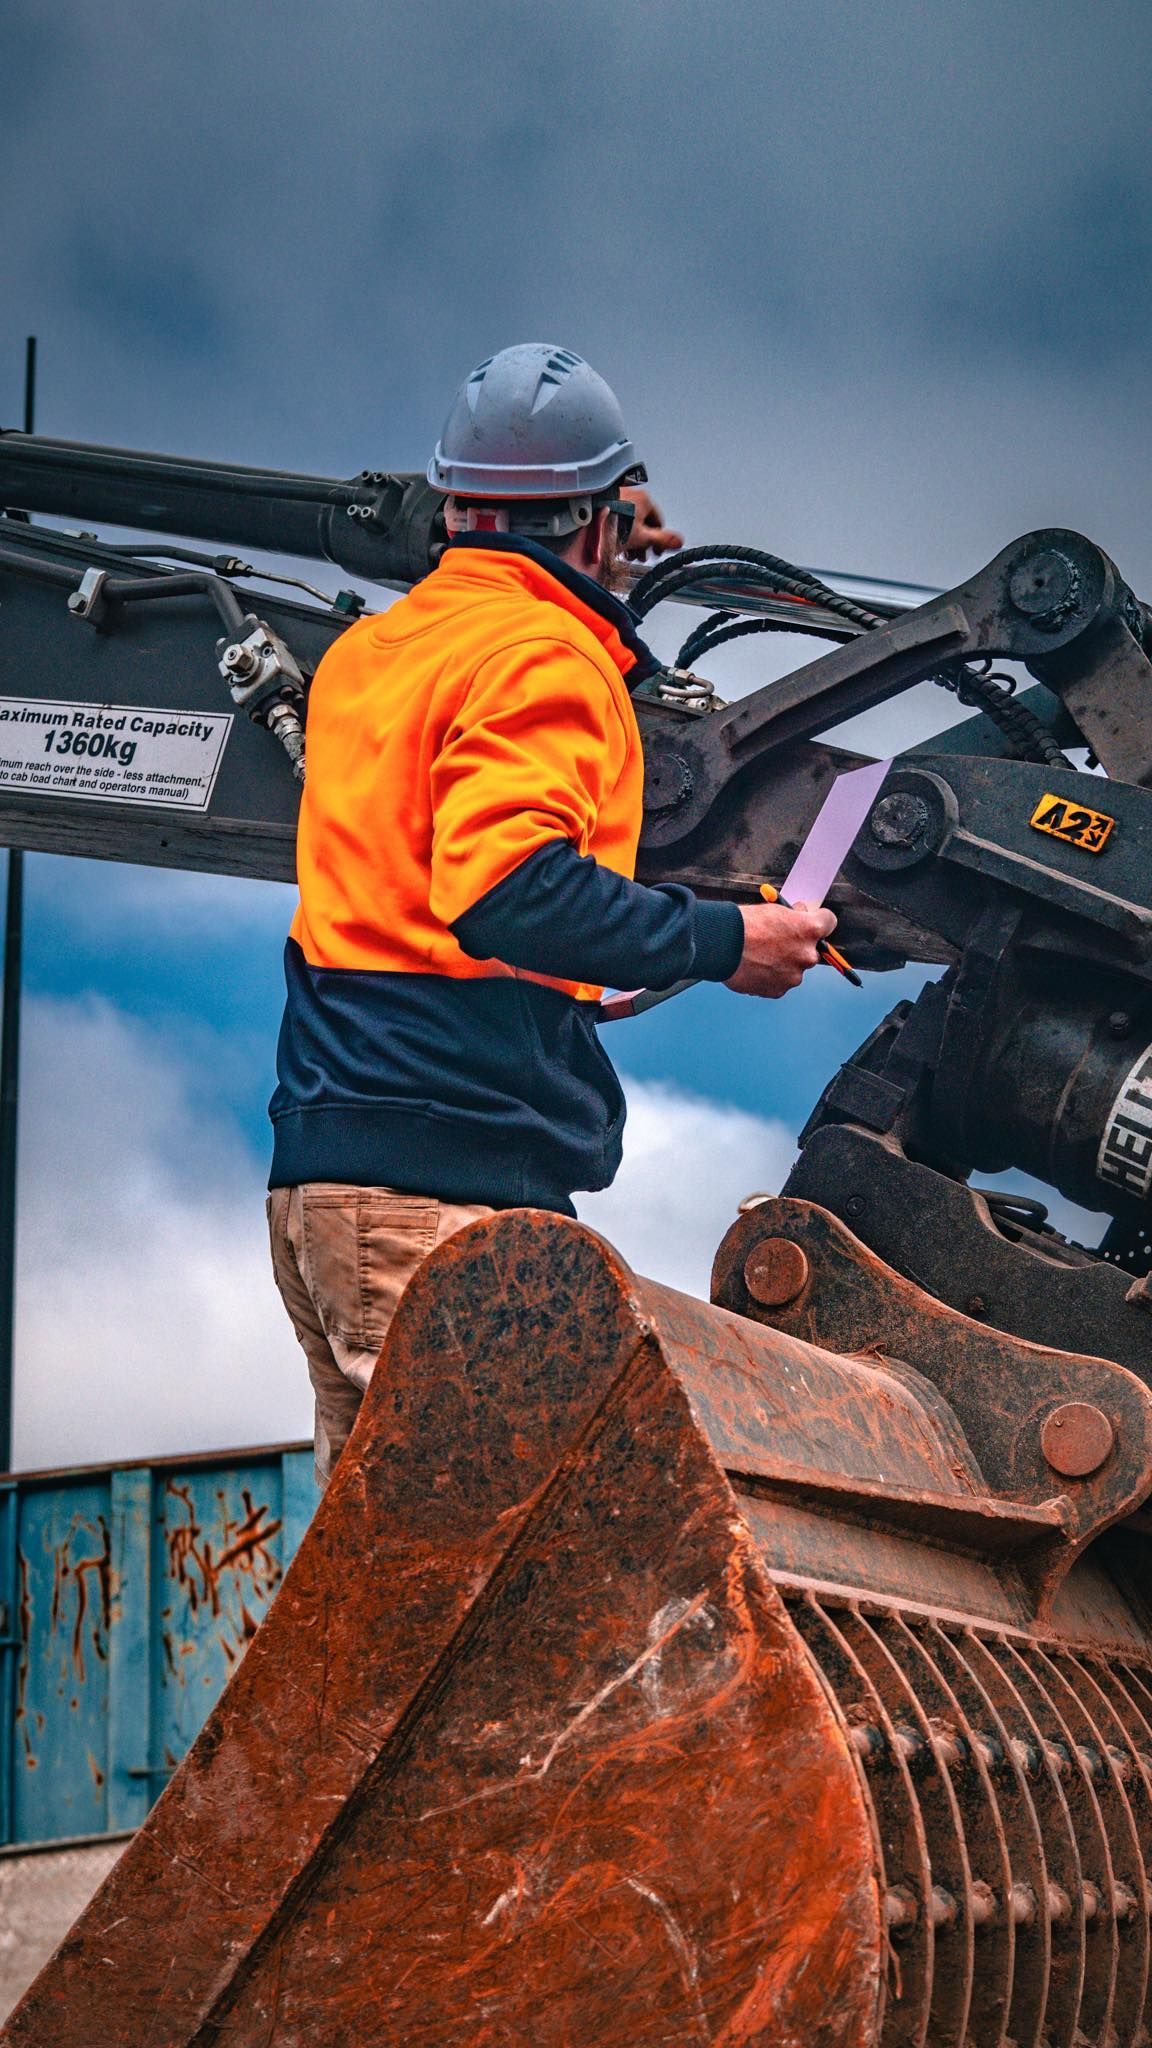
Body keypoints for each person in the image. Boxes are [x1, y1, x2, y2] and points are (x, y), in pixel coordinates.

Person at [267, 343, 836, 1484]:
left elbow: (430, 891)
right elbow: (501, 888)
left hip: (332, 1184)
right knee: (490, 1585)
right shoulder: (545, 657)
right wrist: (724, 943)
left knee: (384, 1602)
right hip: (438, 1195)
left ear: (457, 504)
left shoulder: (371, 652)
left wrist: (680, 914)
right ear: (596, 522)